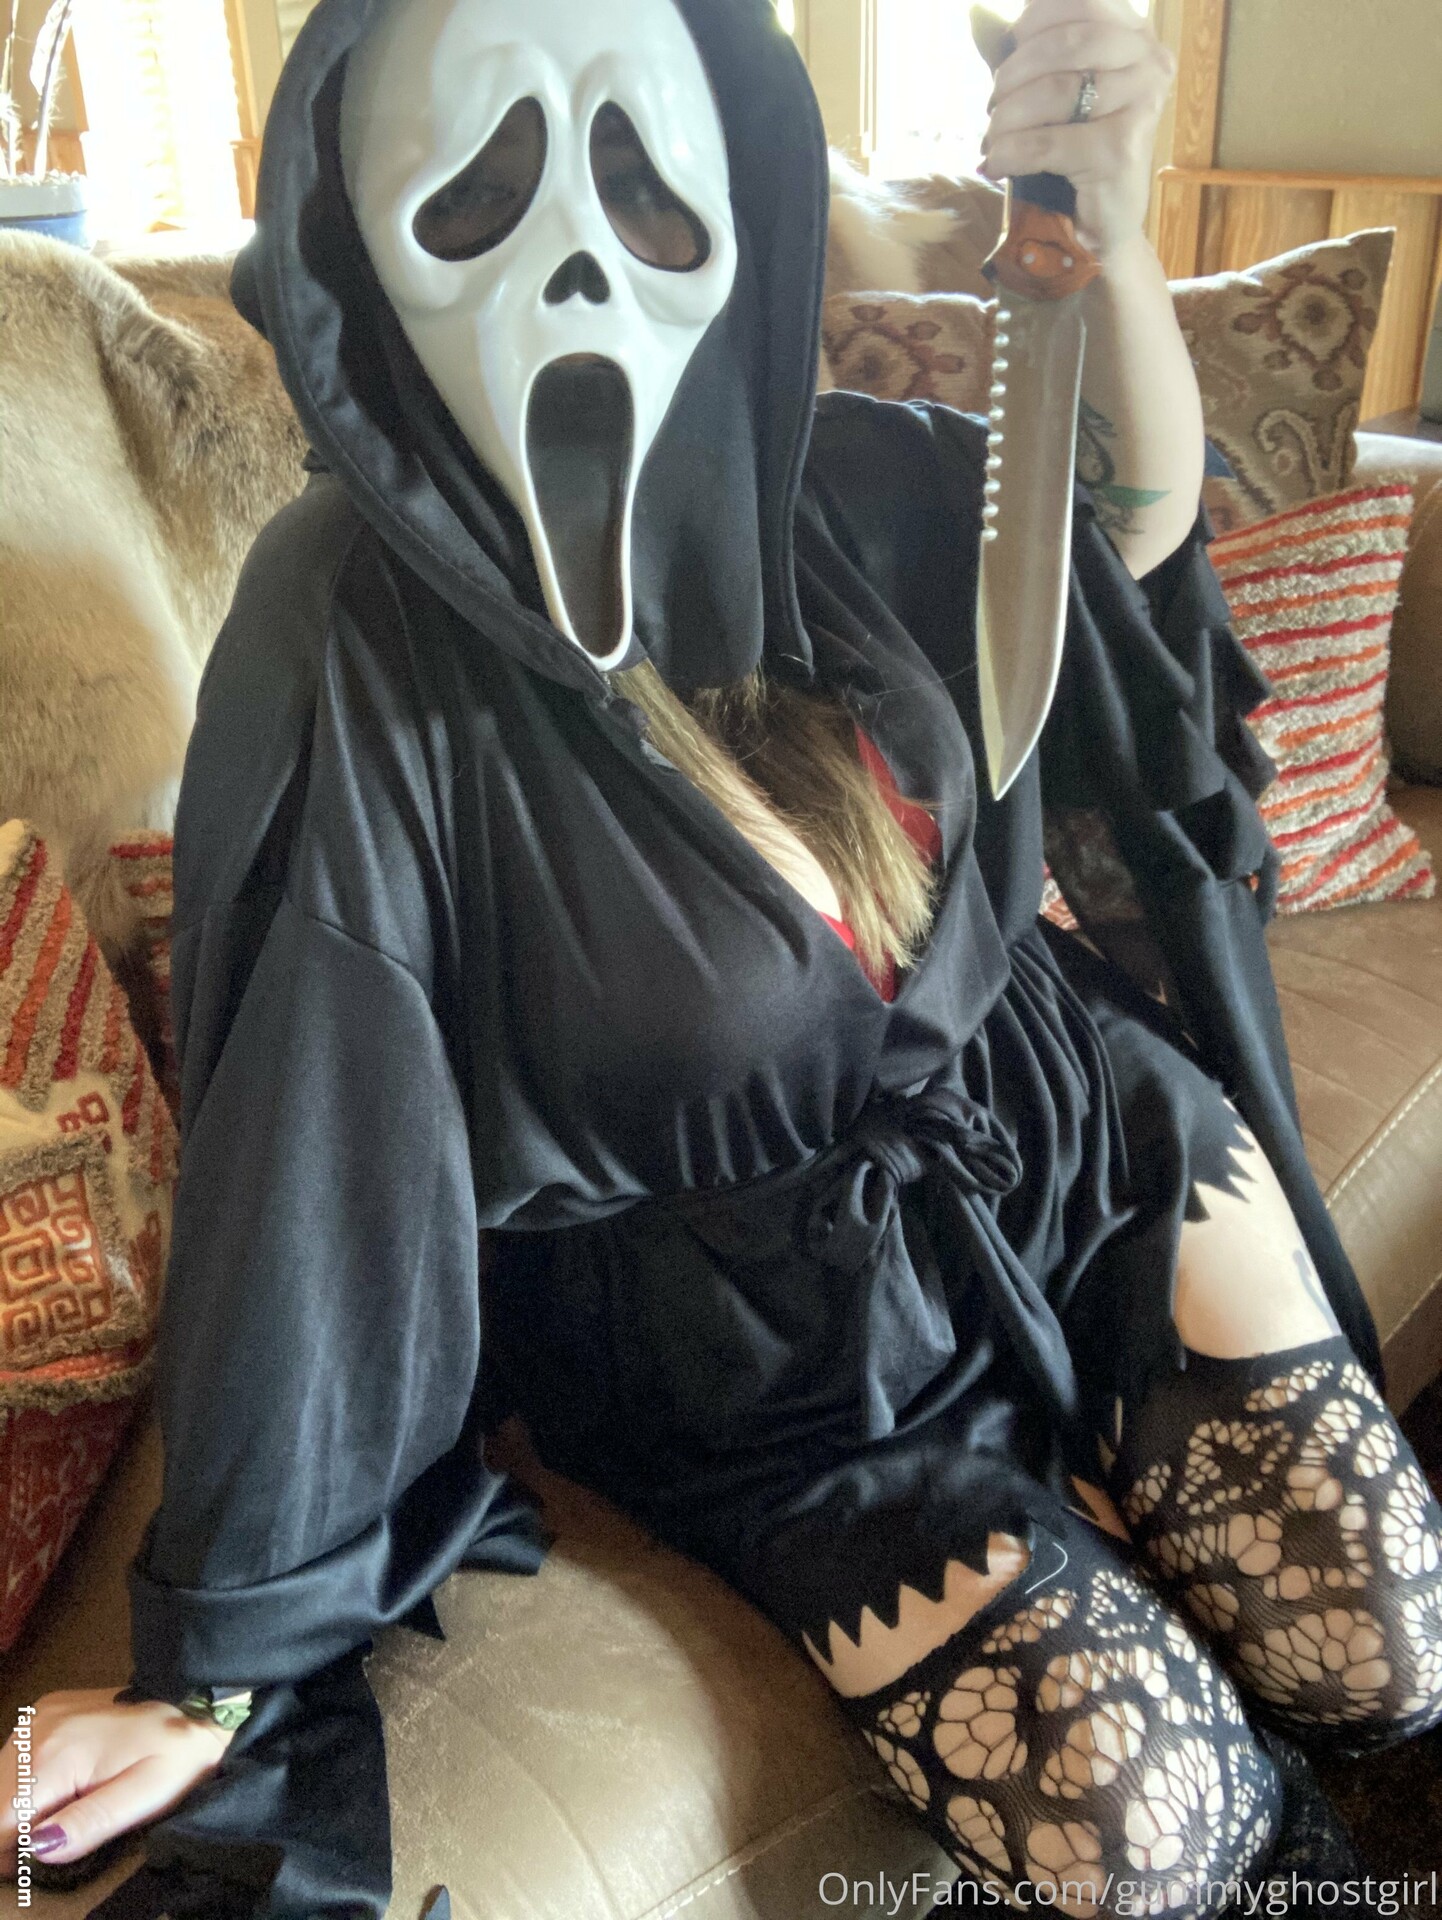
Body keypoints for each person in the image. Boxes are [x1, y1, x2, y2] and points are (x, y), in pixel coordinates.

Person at [5, 0, 1442, 1913]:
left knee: (1382, 1626)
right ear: (359, 237)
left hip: (1048, 1115)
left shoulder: (845, 475)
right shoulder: (345, 621)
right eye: (479, 194)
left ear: (734, 189)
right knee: (1139, 1824)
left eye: (639, 183)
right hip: (749, 1325)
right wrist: (219, 1652)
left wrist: (1100, 227)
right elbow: (309, 1093)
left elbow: (1117, 536)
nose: (577, 262)